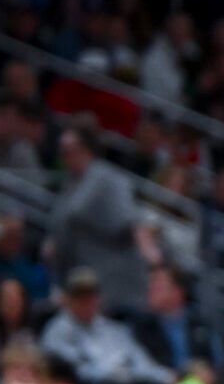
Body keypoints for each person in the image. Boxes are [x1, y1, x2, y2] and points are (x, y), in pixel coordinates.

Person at [49, 129, 154, 315]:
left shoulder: (106, 177)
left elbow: (132, 222)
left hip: (117, 284)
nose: (65, 157)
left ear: (86, 150)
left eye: (69, 151)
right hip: (85, 280)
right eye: (62, 152)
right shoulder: (70, 184)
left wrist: (152, 255)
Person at [41, 267, 175, 384]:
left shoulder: (114, 329)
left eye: (90, 296)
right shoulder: (57, 332)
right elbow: (77, 371)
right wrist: (116, 376)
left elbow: (142, 363)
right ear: (68, 299)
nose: (86, 302)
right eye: (80, 297)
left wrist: (167, 377)